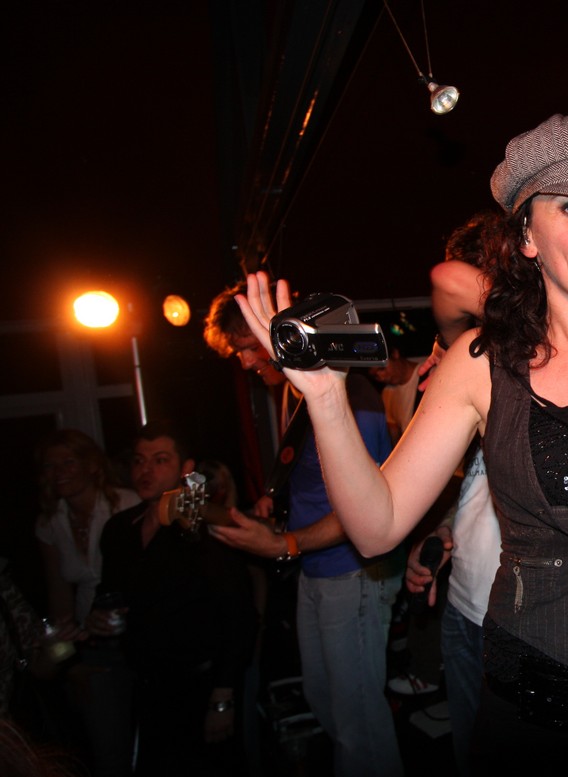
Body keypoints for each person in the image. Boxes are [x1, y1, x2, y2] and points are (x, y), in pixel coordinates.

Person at [236, 112, 568, 774]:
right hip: (541, 698)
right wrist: (325, 399)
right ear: (527, 235)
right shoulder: (481, 361)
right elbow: (377, 528)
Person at [203, 282, 404, 777]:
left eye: (249, 347)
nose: (246, 363)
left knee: (358, 722)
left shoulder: (351, 397)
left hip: (353, 572)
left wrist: (284, 543)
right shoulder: (293, 392)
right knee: (322, 700)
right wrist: (277, 506)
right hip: (315, 566)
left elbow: (370, 508)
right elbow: (318, 483)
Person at [92, 421, 257, 777]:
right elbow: (109, 592)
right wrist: (99, 616)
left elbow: (237, 612)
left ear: (186, 468)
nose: (145, 470)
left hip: (202, 686)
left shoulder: (201, 528)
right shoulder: (119, 530)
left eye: (160, 460)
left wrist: (223, 695)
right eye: (139, 461)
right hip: (146, 686)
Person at [403, 210, 505, 775]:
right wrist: (446, 533)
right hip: (464, 606)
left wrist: (457, 339)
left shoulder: (544, 352)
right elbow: (482, 477)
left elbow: (447, 278)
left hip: (515, 622)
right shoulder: (475, 364)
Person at [34, 430, 139, 641]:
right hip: (88, 631)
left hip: (133, 622)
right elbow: (59, 592)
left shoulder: (127, 505)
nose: (59, 472)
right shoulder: (49, 523)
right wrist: (65, 639)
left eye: (68, 462)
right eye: (49, 466)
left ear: (91, 465)